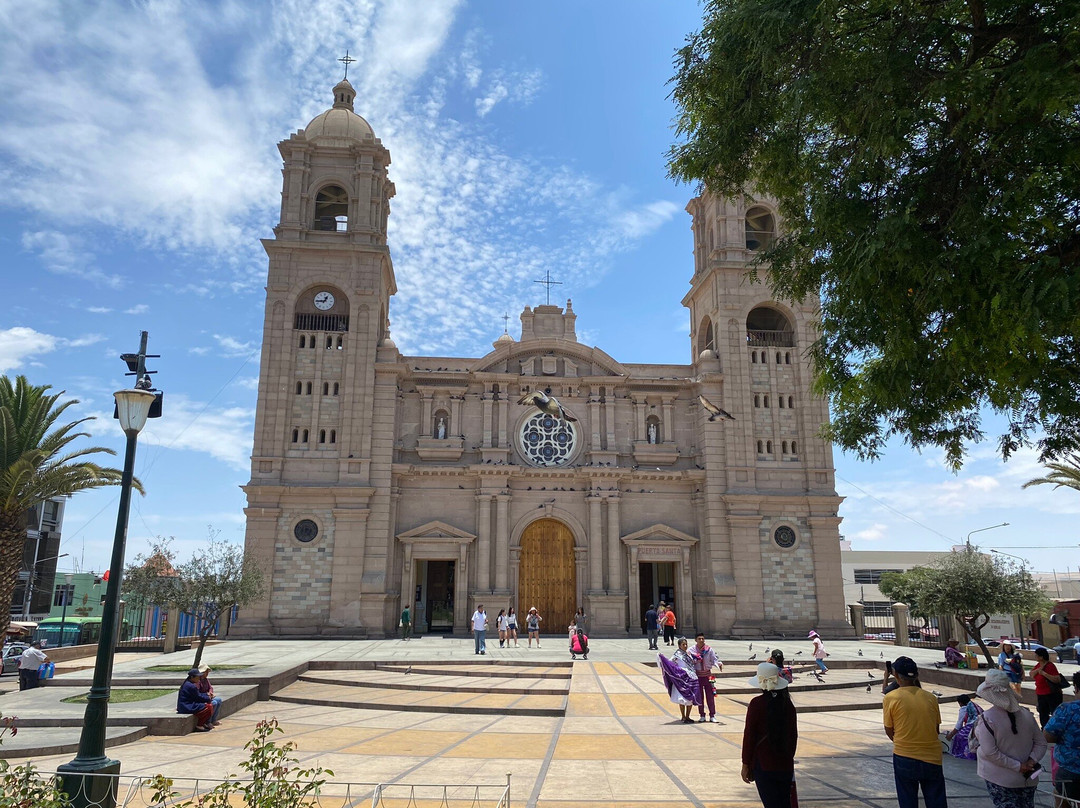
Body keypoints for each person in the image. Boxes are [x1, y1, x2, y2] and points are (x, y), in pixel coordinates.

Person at [974, 668, 1046, 808]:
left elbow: (990, 752)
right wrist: (1031, 761)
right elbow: (1041, 743)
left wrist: (1018, 766)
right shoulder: (1026, 714)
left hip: (1000, 778)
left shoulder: (987, 718)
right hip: (1028, 779)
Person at [882, 656, 947, 808]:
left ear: (896, 675)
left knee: (907, 800)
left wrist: (903, 741)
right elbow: (935, 729)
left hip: (904, 755)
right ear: (917, 675)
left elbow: (889, 729)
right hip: (932, 756)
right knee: (936, 800)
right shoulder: (931, 698)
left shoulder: (891, 697)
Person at [740, 662, 798, 808]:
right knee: (784, 803)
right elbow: (793, 736)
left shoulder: (756, 704)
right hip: (785, 764)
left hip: (764, 764)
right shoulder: (788, 704)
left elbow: (749, 736)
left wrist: (745, 764)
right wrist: (788, 757)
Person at [1044, 670, 1080, 806]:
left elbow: (1047, 736)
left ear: (1076, 688)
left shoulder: (1067, 710)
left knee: (1061, 797)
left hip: (1071, 770)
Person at [657, 637, 700, 723]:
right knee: (682, 698)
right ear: (679, 646)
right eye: (683, 644)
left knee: (690, 698)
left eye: (686, 644)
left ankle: (688, 716)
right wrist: (662, 658)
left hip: (691, 677)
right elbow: (670, 663)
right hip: (681, 678)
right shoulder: (677, 655)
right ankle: (683, 716)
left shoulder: (689, 654)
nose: (685, 646)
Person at [691, 632, 722, 723]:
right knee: (700, 696)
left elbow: (714, 660)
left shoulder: (709, 650)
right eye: (699, 639)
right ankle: (702, 715)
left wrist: (718, 664)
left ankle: (712, 715)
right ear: (695, 640)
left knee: (710, 696)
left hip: (708, 675)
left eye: (703, 639)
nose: (701, 640)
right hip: (698, 676)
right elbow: (689, 662)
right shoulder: (692, 650)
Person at [1031, 646, 1063, 728]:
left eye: (1036, 655)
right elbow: (1031, 674)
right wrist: (1038, 670)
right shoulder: (1038, 665)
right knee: (1043, 713)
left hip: (1051, 693)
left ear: (1041, 657)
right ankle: (1044, 728)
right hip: (1040, 693)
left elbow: (1057, 679)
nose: (1035, 657)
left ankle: (1055, 728)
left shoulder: (1050, 666)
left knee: (1054, 712)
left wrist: (1044, 674)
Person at [944, 694, 982, 760]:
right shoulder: (974, 705)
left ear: (960, 703)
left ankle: (962, 753)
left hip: (973, 725)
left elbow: (959, 725)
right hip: (981, 724)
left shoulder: (964, 708)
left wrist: (950, 735)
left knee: (959, 736)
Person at [177, 667, 214, 732]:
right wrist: (208, 698)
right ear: (192, 677)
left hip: (186, 705)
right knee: (209, 707)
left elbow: (198, 695)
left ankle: (204, 723)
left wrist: (207, 696)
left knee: (208, 705)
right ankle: (200, 725)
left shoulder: (187, 683)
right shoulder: (191, 686)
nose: (199, 678)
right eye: (197, 677)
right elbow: (198, 697)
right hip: (187, 706)